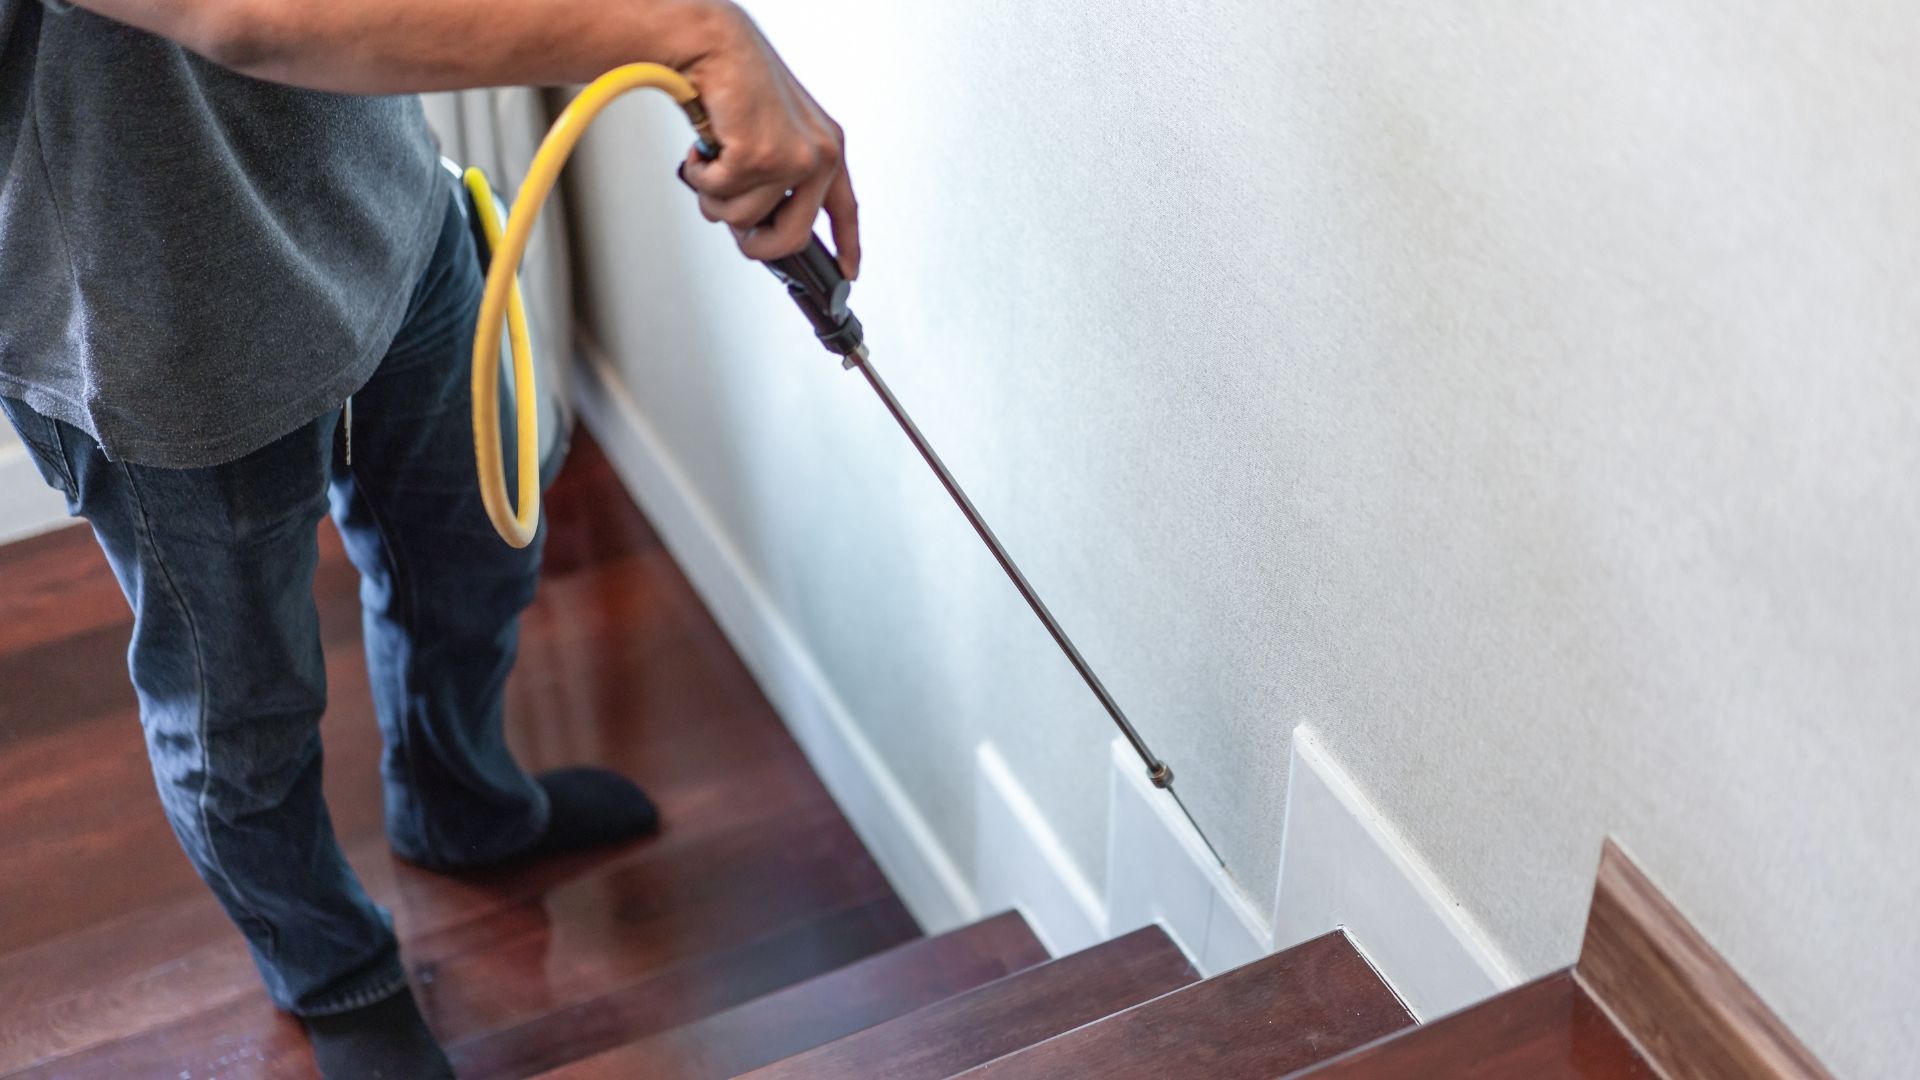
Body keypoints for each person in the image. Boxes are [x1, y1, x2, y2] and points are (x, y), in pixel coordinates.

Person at [0, 0, 859, 1075]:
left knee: (472, 558)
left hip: (389, 212)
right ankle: (330, 968)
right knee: (242, 712)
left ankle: (457, 804)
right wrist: (695, 32)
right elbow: (246, 13)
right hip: (156, 337)